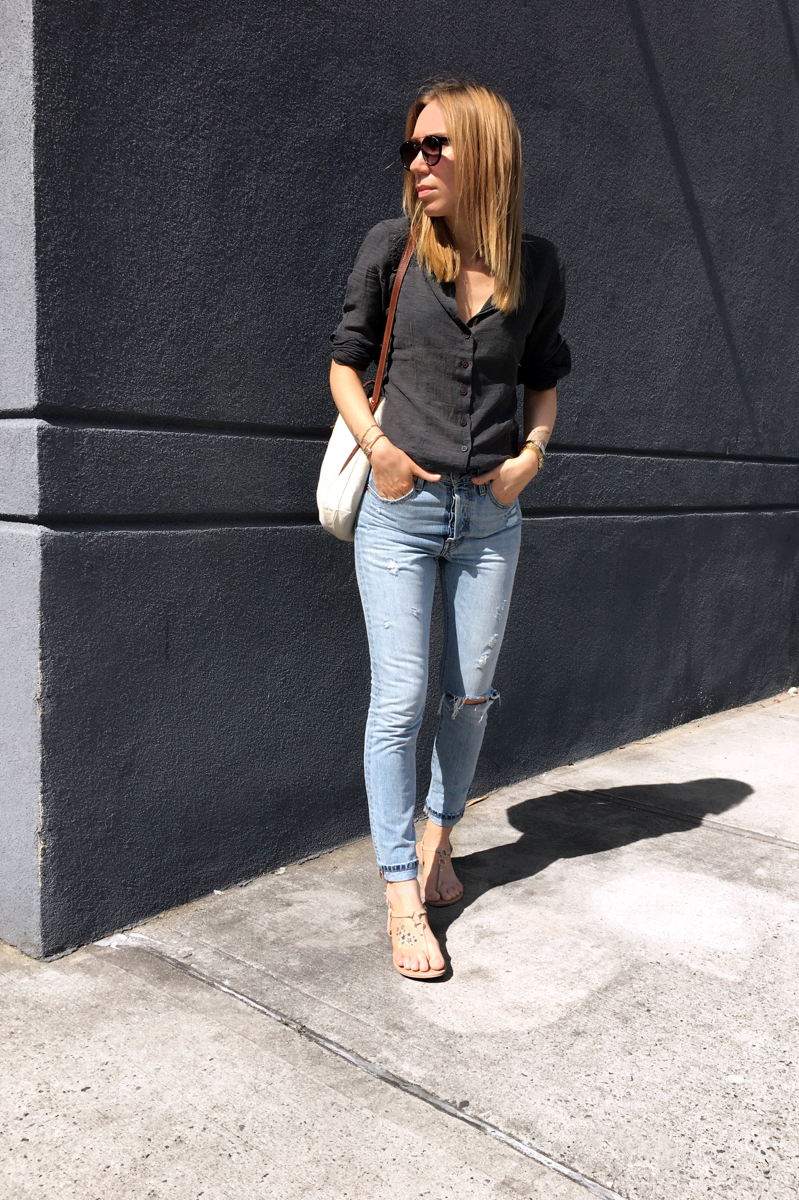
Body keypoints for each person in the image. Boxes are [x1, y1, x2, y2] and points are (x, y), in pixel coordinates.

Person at [329, 80, 571, 979]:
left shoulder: (535, 266)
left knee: (469, 693)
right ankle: (399, 888)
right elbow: (345, 365)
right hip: (399, 508)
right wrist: (380, 451)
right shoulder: (391, 249)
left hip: (491, 514)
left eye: (437, 147)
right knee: (399, 699)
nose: (418, 163)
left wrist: (533, 452)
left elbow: (543, 375)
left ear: (486, 154)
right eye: (412, 149)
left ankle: (438, 841)